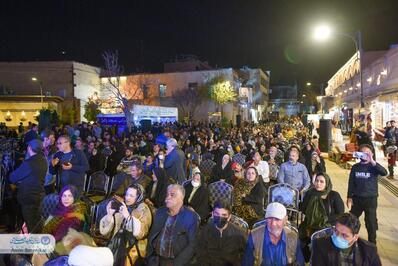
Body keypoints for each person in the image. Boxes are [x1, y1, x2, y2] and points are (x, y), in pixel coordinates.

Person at [146, 184, 200, 265]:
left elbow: (192, 244)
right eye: (167, 195)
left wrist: (177, 263)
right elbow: (152, 235)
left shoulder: (191, 216)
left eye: (172, 195)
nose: (167, 198)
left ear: (181, 198)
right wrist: (150, 257)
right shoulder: (160, 212)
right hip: (155, 260)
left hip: (175, 261)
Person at [100, 183, 152, 266]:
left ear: (138, 197)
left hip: (134, 247)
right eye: (127, 194)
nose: (127, 198)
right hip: (117, 245)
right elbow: (105, 232)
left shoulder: (143, 209)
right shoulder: (123, 206)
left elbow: (141, 233)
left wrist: (128, 217)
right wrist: (109, 215)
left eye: (131, 195)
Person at [347, 144, 387, 244]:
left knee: (371, 223)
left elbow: (384, 172)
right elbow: (351, 182)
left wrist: (372, 161)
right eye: (363, 153)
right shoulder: (355, 167)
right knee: (351, 220)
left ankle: (372, 244)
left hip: (371, 199)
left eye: (367, 153)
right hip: (357, 199)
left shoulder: (374, 167)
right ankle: (349, 239)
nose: (365, 155)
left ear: (372, 154)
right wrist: (349, 197)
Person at [299, 173, 344, 261]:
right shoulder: (310, 193)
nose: (318, 184)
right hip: (309, 225)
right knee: (302, 242)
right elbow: (303, 209)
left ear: (326, 183)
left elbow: (340, 214)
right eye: (316, 181)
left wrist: (325, 219)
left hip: (326, 228)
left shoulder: (334, 195)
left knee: (321, 250)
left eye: (321, 182)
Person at [311, 213, 381, 265]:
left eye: (344, 235)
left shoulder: (369, 250)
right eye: (336, 231)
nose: (338, 237)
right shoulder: (320, 245)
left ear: (355, 237)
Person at [10, 139, 47, 233]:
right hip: (38, 196)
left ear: (29, 148)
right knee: (36, 223)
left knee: (32, 226)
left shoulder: (29, 162)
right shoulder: (43, 160)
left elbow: (13, 178)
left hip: (29, 198)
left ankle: (35, 246)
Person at [197, 200, 247, 266]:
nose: (220, 218)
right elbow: (201, 255)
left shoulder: (239, 234)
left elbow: (246, 256)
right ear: (212, 214)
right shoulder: (205, 231)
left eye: (224, 215)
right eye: (217, 214)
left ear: (229, 217)